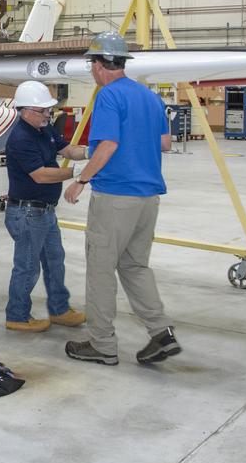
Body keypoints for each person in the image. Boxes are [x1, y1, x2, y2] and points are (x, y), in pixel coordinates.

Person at [62, 32, 180, 366]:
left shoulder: (108, 96)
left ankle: (102, 345)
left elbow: (109, 145)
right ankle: (160, 332)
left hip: (115, 197)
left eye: (92, 64)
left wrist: (81, 179)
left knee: (101, 269)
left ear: (98, 65)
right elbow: (164, 143)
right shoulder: (149, 97)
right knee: (134, 266)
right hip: (148, 198)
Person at [3, 80, 89, 333]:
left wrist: (91, 152)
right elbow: (40, 175)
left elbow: (68, 149)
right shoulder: (20, 138)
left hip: (44, 210)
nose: (47, 114)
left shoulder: (44, 129)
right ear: (26, 110)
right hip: (28, 212)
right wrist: (75, 173)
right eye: (42, 111)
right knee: (28, 266)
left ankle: (60, 309)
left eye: (48, 110)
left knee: (55, 260)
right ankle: (17, 316)